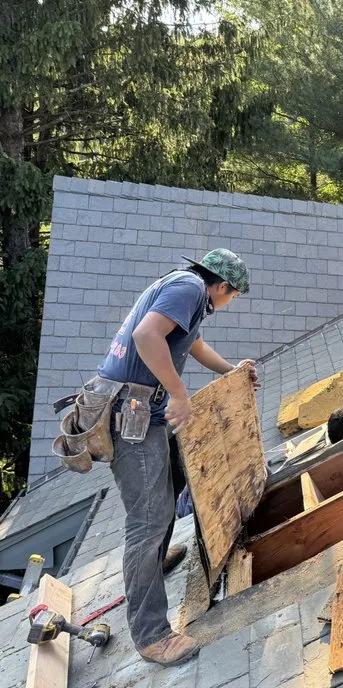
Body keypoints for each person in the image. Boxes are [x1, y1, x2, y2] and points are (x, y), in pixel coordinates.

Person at [96, 248, 257, 666]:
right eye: (233, 295)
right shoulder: (189, 288)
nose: (230, 302)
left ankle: (156, 556)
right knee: (148, 519)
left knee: (172, 481)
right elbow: (145, 337)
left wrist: (232, 371)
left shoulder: (186, 292)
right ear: (223, 286)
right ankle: (152, 636)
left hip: (141, 409)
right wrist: (179, 393)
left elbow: (194, 345)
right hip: (130, 414)